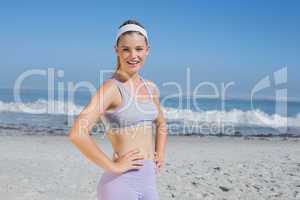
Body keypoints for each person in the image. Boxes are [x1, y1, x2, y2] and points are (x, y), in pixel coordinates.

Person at [68, 19, 168, 200]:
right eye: (125, 49)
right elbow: (77, 133)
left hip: (149, 181)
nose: (133, 55)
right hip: (120, 184)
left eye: (139, 49)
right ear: (116, 50)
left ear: (148, 51)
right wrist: (113, 167)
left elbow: (160, 122)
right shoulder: (111, 88)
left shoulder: (150, 87)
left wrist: (159, 153)